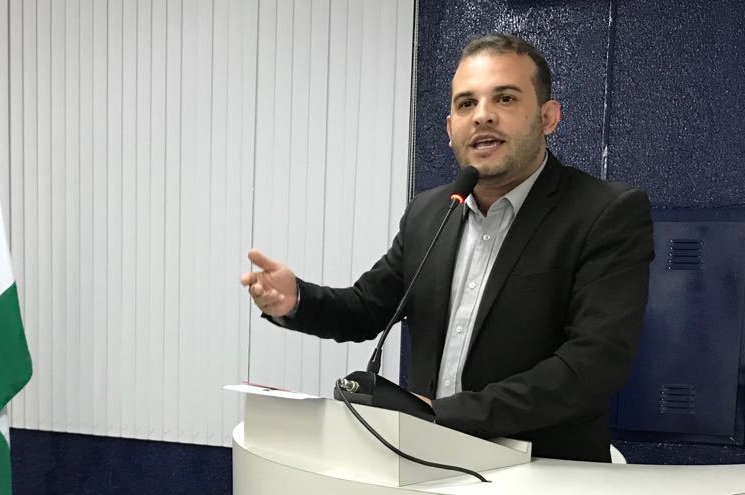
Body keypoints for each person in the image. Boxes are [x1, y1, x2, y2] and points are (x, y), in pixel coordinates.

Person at [239, 33, 654, 462]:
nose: (483, 116)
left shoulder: (604, 212)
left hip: (544, 468)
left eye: (505, 99)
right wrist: (296, 300)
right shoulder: (429, 211)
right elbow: (366, 308)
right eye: (466, 103)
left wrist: (445, 415)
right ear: (450, 129)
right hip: (427, 462)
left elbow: (594, 364)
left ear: (547, 117)